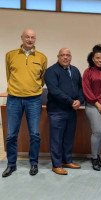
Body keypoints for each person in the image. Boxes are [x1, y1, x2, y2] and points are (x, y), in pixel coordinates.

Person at [2, 29, 47, 177]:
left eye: (32, 37)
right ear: (21, 38)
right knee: (11, 135)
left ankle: (33, 163)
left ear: (35, 39)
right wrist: (16, 89)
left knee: (34, 134)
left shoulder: (41, 57)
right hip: (14, 99)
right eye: (27, 37)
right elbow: (9, 75)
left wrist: (33, 89)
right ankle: (11, 164)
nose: (29, 39)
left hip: (34, 99)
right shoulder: (10, 55)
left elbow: (43, 78)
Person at [44, 48, 84, 175]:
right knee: (56, 138)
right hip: (57, 111)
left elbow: (81, 88)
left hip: (72, 111)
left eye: (67, 55)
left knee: (68, 138)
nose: (65, 57)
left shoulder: (75, 70)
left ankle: (67, 160)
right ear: (58, 57)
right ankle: (56, 164)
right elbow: (54, 91)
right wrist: (71, 101)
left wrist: (80, 101)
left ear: (71, 57)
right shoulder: (51, 71)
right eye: (62, 55)